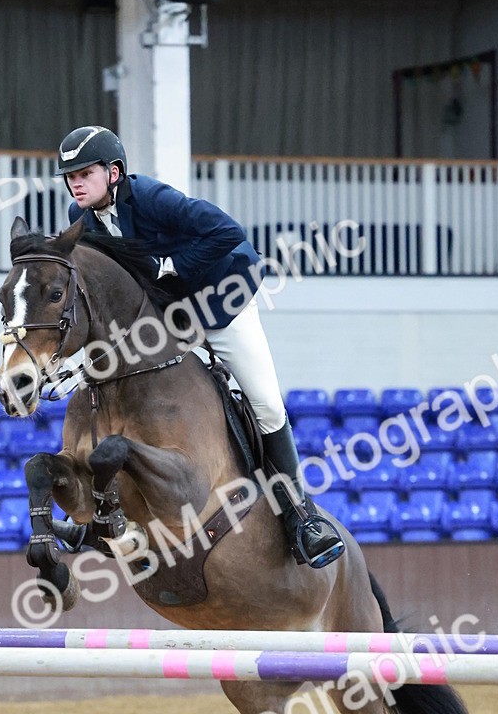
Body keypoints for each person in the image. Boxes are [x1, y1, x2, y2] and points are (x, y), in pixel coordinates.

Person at [56, 124, 345, 570]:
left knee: (266, 403)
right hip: (173, 312)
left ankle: (300, 516)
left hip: (221, 299)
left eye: (85, 173)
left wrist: (170, 265)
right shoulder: (89, 228)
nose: (75, 182)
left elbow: (228, 232)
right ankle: (97, 518)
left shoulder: (152, 198)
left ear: (114, 173)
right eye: (69, 175)